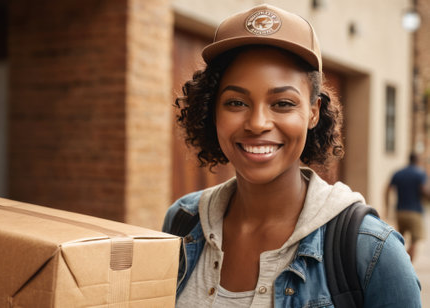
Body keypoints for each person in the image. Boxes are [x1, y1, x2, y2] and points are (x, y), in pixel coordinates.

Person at [163, 4, 421, 307]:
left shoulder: (372, 252)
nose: (258, 123)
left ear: (313, 112)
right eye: (236, 102)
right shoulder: (183, 222)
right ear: (212, 110)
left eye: (283, 103)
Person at [385, 152, 427, 261]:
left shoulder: (398, 173)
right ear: (417, 160)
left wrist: (387, 207)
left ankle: (399, 260)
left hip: (400, 212)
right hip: (415, 212)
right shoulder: (420, 174)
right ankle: (406, 265)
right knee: (414, 242)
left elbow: (387, 189)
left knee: (400, 240)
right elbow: (424, 190)